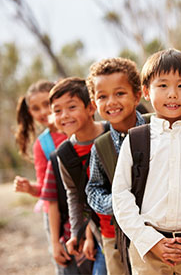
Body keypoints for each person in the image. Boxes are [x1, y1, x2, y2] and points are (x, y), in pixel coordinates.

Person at [112, 48, 181, 275]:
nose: (172, 94)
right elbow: (121, 195)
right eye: (162, 86)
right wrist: (149, 240)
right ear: (145, 91)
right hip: (148, 250)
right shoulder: (135, 140)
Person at [85, 57, 144, 275]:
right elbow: (93, 189)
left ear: (137, 96)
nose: (111, 102)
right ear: (94, 103)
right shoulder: (100, 146)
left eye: (119, 93)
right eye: (103, 96)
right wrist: (118, 203)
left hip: (159, 233)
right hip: (117, 239)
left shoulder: (157, 128)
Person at [49, 77, 108, 275]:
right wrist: (77, 234)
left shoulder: (112, 135)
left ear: (91, 108)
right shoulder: (64, 154)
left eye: (72, 107)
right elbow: (75, 196)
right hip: (102, 235)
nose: (64, 115)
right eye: (57, 110)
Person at [13, 79, 67, 274]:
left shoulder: (78, 129)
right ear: (30, 113)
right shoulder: (42, 145)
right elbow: (46, 190)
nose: (43, 112)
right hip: (56, 215)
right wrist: (29, 188)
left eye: (47, 104)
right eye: (36, 109)